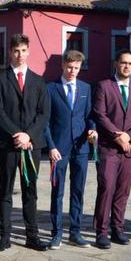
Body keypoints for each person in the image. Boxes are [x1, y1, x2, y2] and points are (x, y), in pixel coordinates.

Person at [0, 34, 51, 252]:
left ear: (28, 51)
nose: (20, 55)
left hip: (31, 145)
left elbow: (43, 113)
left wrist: (29, 136)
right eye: (16, 51)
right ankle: (4, 237)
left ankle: (32, 236)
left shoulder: (38, 80)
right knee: (5, 191)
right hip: (9, 144)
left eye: (23, 50)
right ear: (10, 52)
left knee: (30, 190)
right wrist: (17, 134)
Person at [92, 50, 131, 249]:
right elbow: (100, 115)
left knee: (123, 192)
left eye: (130, 64)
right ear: (116, 63)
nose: (127, 66)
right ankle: (101, 232)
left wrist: (129, 136)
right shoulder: (104, 86)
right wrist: (118, 136)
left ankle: (118, 229)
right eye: (123, 62)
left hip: (129, 150)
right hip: (109, 148)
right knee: (107, 187)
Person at [45, 49, 97, 249]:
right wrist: (51, 146)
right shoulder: (51, 88)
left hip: (81, 148)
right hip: (59, 149)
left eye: (76, 67)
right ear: (63, 65)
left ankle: (75, 232)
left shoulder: (85, 88)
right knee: (57, 192)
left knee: (78, 191)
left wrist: (92, 130)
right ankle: (56, 233)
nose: (72, 71)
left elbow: (89, 116)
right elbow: (46, 122)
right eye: (69, 67)